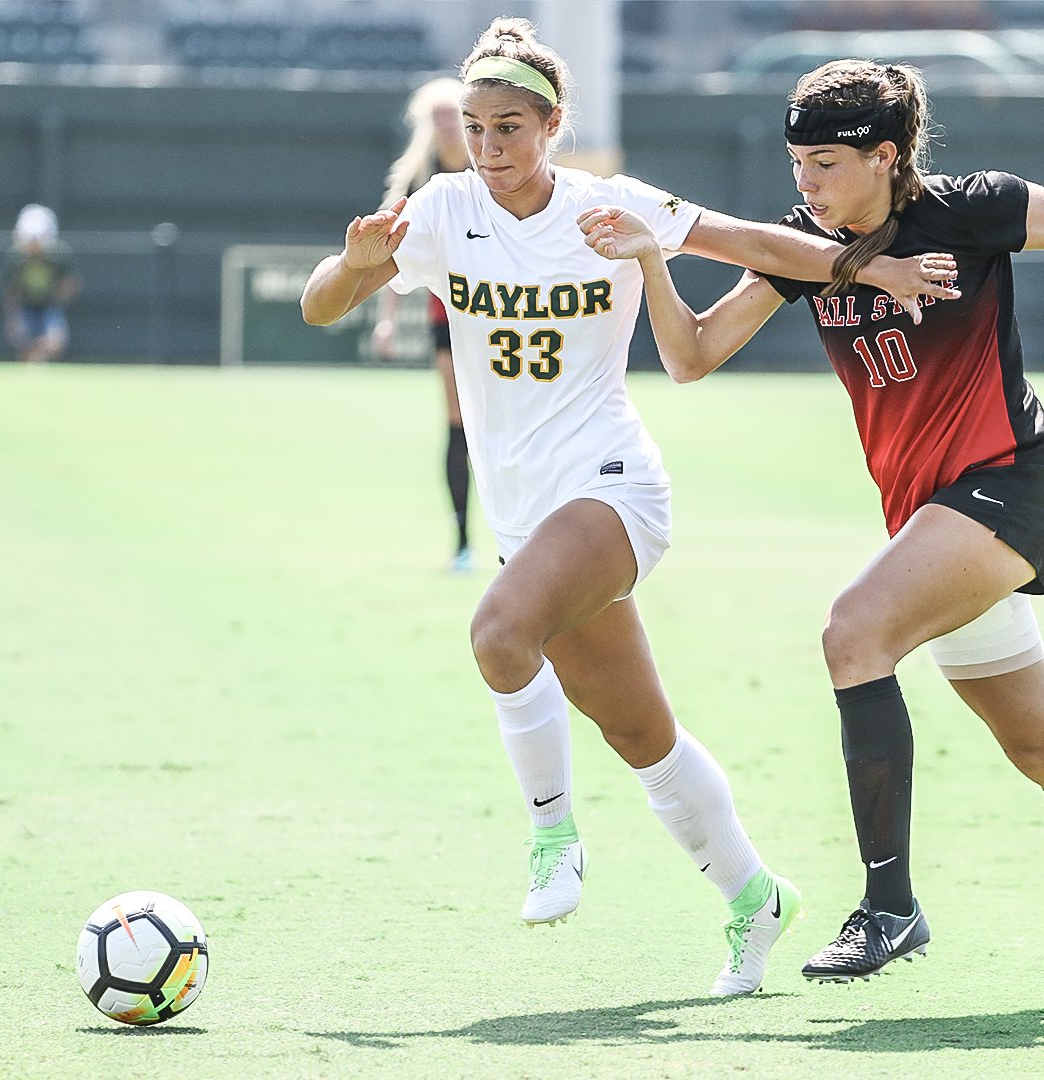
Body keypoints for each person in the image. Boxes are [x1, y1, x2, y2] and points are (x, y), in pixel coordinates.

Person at [301, 21, 952, 996]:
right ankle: (753, 897)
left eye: (511, 127)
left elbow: (755, 242)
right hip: (527, 515)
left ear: (554, 124)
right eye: (476, 129)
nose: (490, 147)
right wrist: (354, 265)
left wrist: (875, 266)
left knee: (497, 633)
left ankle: (551, 835)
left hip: (612, 487)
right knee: (641, 736)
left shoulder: (608, 205)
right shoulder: (440, 210)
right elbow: (319, 306)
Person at [579, 57, 1044, 985]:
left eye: (826, 163)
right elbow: (694, 355)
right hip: (932, 520)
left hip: (1009, 481)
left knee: (854, 633)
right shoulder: (804, 243)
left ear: (888, 155)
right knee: (1034, 744)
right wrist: (649, 264)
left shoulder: (971, 207)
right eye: (798, 164)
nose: (807, 184)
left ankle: (888, 908)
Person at [373, 78, 475, 574]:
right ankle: (462, 540)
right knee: (457, 421)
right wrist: (387, 323)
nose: (446, 123)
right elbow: (391, 257)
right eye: (437, 115)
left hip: (505, 308)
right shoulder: (419, 180)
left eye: (452, 112)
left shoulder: (490, 169)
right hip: (448, 316)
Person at [2, 203, 79, 363]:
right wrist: (13, 318)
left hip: (49, 305)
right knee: (22, 340)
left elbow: (70, 283)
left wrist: (57, 302)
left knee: (55, 342)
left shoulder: (58, 255)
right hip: (25, 305)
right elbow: (11, 289)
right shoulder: (15, 257)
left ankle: (38, 360)